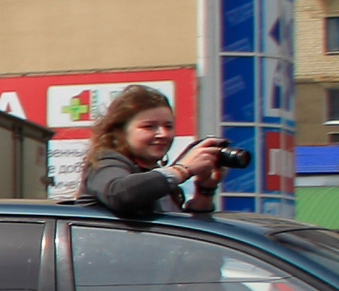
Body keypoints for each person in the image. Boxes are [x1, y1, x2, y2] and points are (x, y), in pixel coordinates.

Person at [78, 83, 230, 222]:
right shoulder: (103, 160)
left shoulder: (159, 178)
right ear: (120, 132)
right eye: (149, 127)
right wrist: (182, 170)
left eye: (168, 126)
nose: (163, 134)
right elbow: (120, 194)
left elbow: (187, 238)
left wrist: (205, 190)